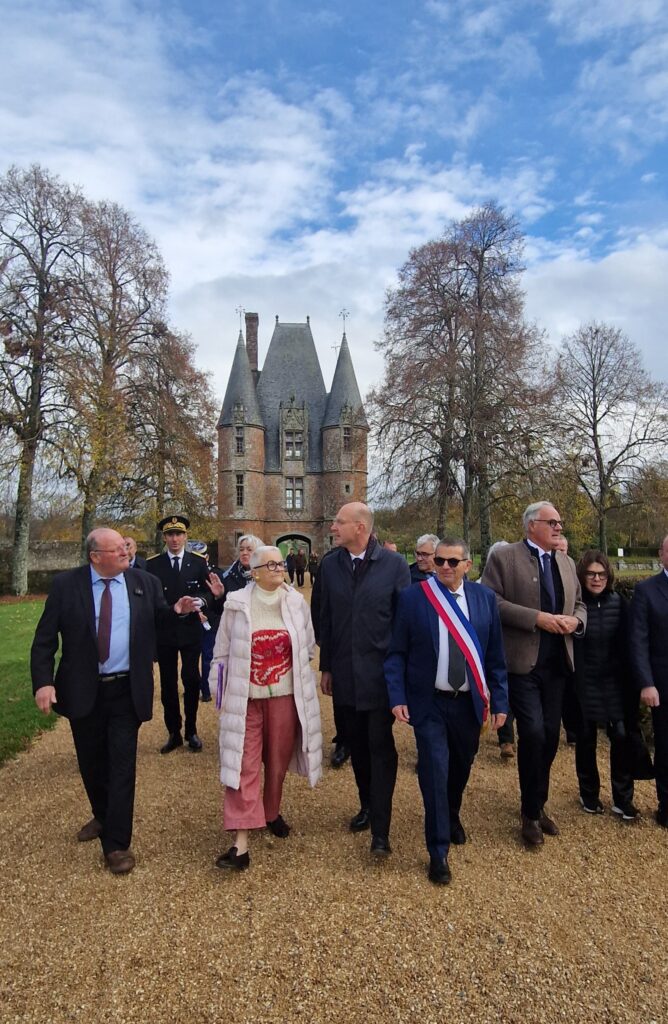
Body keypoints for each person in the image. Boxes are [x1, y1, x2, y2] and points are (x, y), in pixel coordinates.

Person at [30, 528, 200, 874]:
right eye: (118, 548)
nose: (126, 551)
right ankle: (103, 814)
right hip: (83, 689)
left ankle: (117, 844)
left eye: (126, 546)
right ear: (96, 556)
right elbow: (44, 639)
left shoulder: (144, 582)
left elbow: (159, 617)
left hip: (126, 690)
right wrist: (44, 683)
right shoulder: (66, 586)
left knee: (122, 765)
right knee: (92, 764)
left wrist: (177, 610)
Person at [385, 538, 508, 884]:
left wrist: (500, 702)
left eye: (453, 562)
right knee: (434, 771)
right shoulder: (414, 598)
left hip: (468, 704)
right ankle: (438, 851)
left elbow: (495, 657)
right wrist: (397, 696)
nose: (445, 567)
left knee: (460, 767)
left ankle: (451, 813)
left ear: (468, 565)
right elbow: (396, 653)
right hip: (430, 703)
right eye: (439, 561)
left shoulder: (484, 599)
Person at [210, 546, 322, 870]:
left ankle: (271, 812)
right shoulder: (236, 605)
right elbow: (221, 653)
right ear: (255, 572)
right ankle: (240, 842)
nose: (278, 568)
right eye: (270, 564)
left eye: (280, 563)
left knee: (277, 761)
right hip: (246, 699)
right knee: (243, 765)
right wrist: (219, 690)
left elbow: (308, 647)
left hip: (285, 697)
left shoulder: (296, 603)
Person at [481, 501, 586, 846]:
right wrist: (536, 618)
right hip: (522, 665)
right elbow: (491, 601)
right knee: (533, 733)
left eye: (559, 522)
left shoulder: (566, 562)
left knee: (551, 736)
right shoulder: (504, 557)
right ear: (531, 525)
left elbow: (580, 603)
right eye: (552, 522)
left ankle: (537, 804)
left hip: (558, 665)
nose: (558, 527)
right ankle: (529, 814)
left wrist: (576, 621)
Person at [318, 502, 411, 855]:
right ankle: (367, 805)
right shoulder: (330, 566)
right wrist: (326, 667)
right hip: (344, 675)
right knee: (356, 745)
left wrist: (401, 678)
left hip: (380, 677)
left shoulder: (394, 566)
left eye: (339, 522)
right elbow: (325, 619)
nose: (333, 527)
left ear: (360, 527)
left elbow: (403, 624)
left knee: (380, 746)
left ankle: (381, 833)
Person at [146, 515, 224, 753]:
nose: (175, 539)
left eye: (179, 534)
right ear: (164, 537)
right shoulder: (153, 564)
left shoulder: (197, 562)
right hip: (166, 631)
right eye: (170, 534)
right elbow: (151, 600)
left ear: (186, 536)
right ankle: (174, 732)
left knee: (191, 680)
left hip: (190, 630)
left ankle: (191, 730)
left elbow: (209, 592)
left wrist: (203, 600)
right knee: (168, 684)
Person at [574, 550, 638, 819]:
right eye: (591, 574)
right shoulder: (575, 605)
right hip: (585, 681)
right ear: (582, 576)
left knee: (621, 736)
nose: (596, 579)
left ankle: (623, 798)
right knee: (585, 738)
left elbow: (630, 641)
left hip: (614, 682)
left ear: (608, 575)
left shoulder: (619, 602)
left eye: (601, 574)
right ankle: (589, 794)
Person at [630, 534, 668, 829]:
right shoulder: (646, 590)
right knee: (666, 747)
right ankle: (666, 806)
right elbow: (638, 640)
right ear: (661, 554)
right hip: (662, 684)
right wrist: (646, 682)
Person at [556, 536, 579, 745]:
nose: (561, 552)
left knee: (570, 692)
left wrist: (576, 621)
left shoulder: (571, 569)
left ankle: (572, 731)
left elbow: (579, 602)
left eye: (564, 549)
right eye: (557, 548)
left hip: (570, 640)